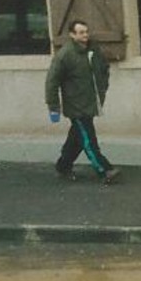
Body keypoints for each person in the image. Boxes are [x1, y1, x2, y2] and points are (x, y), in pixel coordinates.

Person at [45, 19, 119, 184]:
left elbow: (103, 68)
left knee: (77, 138)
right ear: (72, 35)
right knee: (88, 140)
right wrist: (53, 107)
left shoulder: (93, 50)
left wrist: (103, 87)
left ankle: (63, 166)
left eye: (86, 31)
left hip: (91, 102)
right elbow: (52, 82)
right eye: (80, 32)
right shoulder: (65, 55)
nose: (85, 35)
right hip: (76, 106)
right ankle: (104, 169)